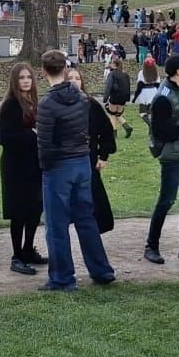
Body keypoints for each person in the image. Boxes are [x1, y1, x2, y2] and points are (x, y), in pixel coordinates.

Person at [33, 49, 116, 292]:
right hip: (82, 163)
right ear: (65, 69)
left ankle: (62, 278)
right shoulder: (82, 99)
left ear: (44, 71)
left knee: (57, 225)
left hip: (60, 166)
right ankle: (101, 270)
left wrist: (45, 168)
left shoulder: (47, 104)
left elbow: (44, 144)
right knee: (86, 219)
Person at [145, 54, 179, 265]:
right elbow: (161, 131)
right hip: (171, 157)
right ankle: (151, 246)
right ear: (178, 71)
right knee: (167, 200)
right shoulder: (163, 97)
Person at [0, 64, 46, 276]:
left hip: (34, 164)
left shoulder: (35, 102)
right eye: (21, 78)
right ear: (15, 82)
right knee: (19, 211)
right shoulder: (11, 105)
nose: (26, 81)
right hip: (16, 165)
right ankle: (17, 255)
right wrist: (33, 135)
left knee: (35, 208)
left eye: (28, 77)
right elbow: (7, 137)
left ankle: (28, 248)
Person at [67, 68, 117, 234]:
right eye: (70, 78)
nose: (74, 81)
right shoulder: (58, 104)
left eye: (77, 78)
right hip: (66, 161)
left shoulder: (91, 105)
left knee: (92, 198)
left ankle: (94, 229)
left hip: (88, 158)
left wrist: (103, 156)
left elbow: (107, 131)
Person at [103, 56, 133, 137]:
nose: (110, 64)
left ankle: (114, 133)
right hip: (123, 98)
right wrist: (127, 98)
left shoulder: (112, 74)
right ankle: (127, 127)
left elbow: (108, 87)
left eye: (111, 63)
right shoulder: (125, 74)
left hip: (115, 97)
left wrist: (105, 98)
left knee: (112, 114)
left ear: (114, 65)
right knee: (118, 114)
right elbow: (128, 86)